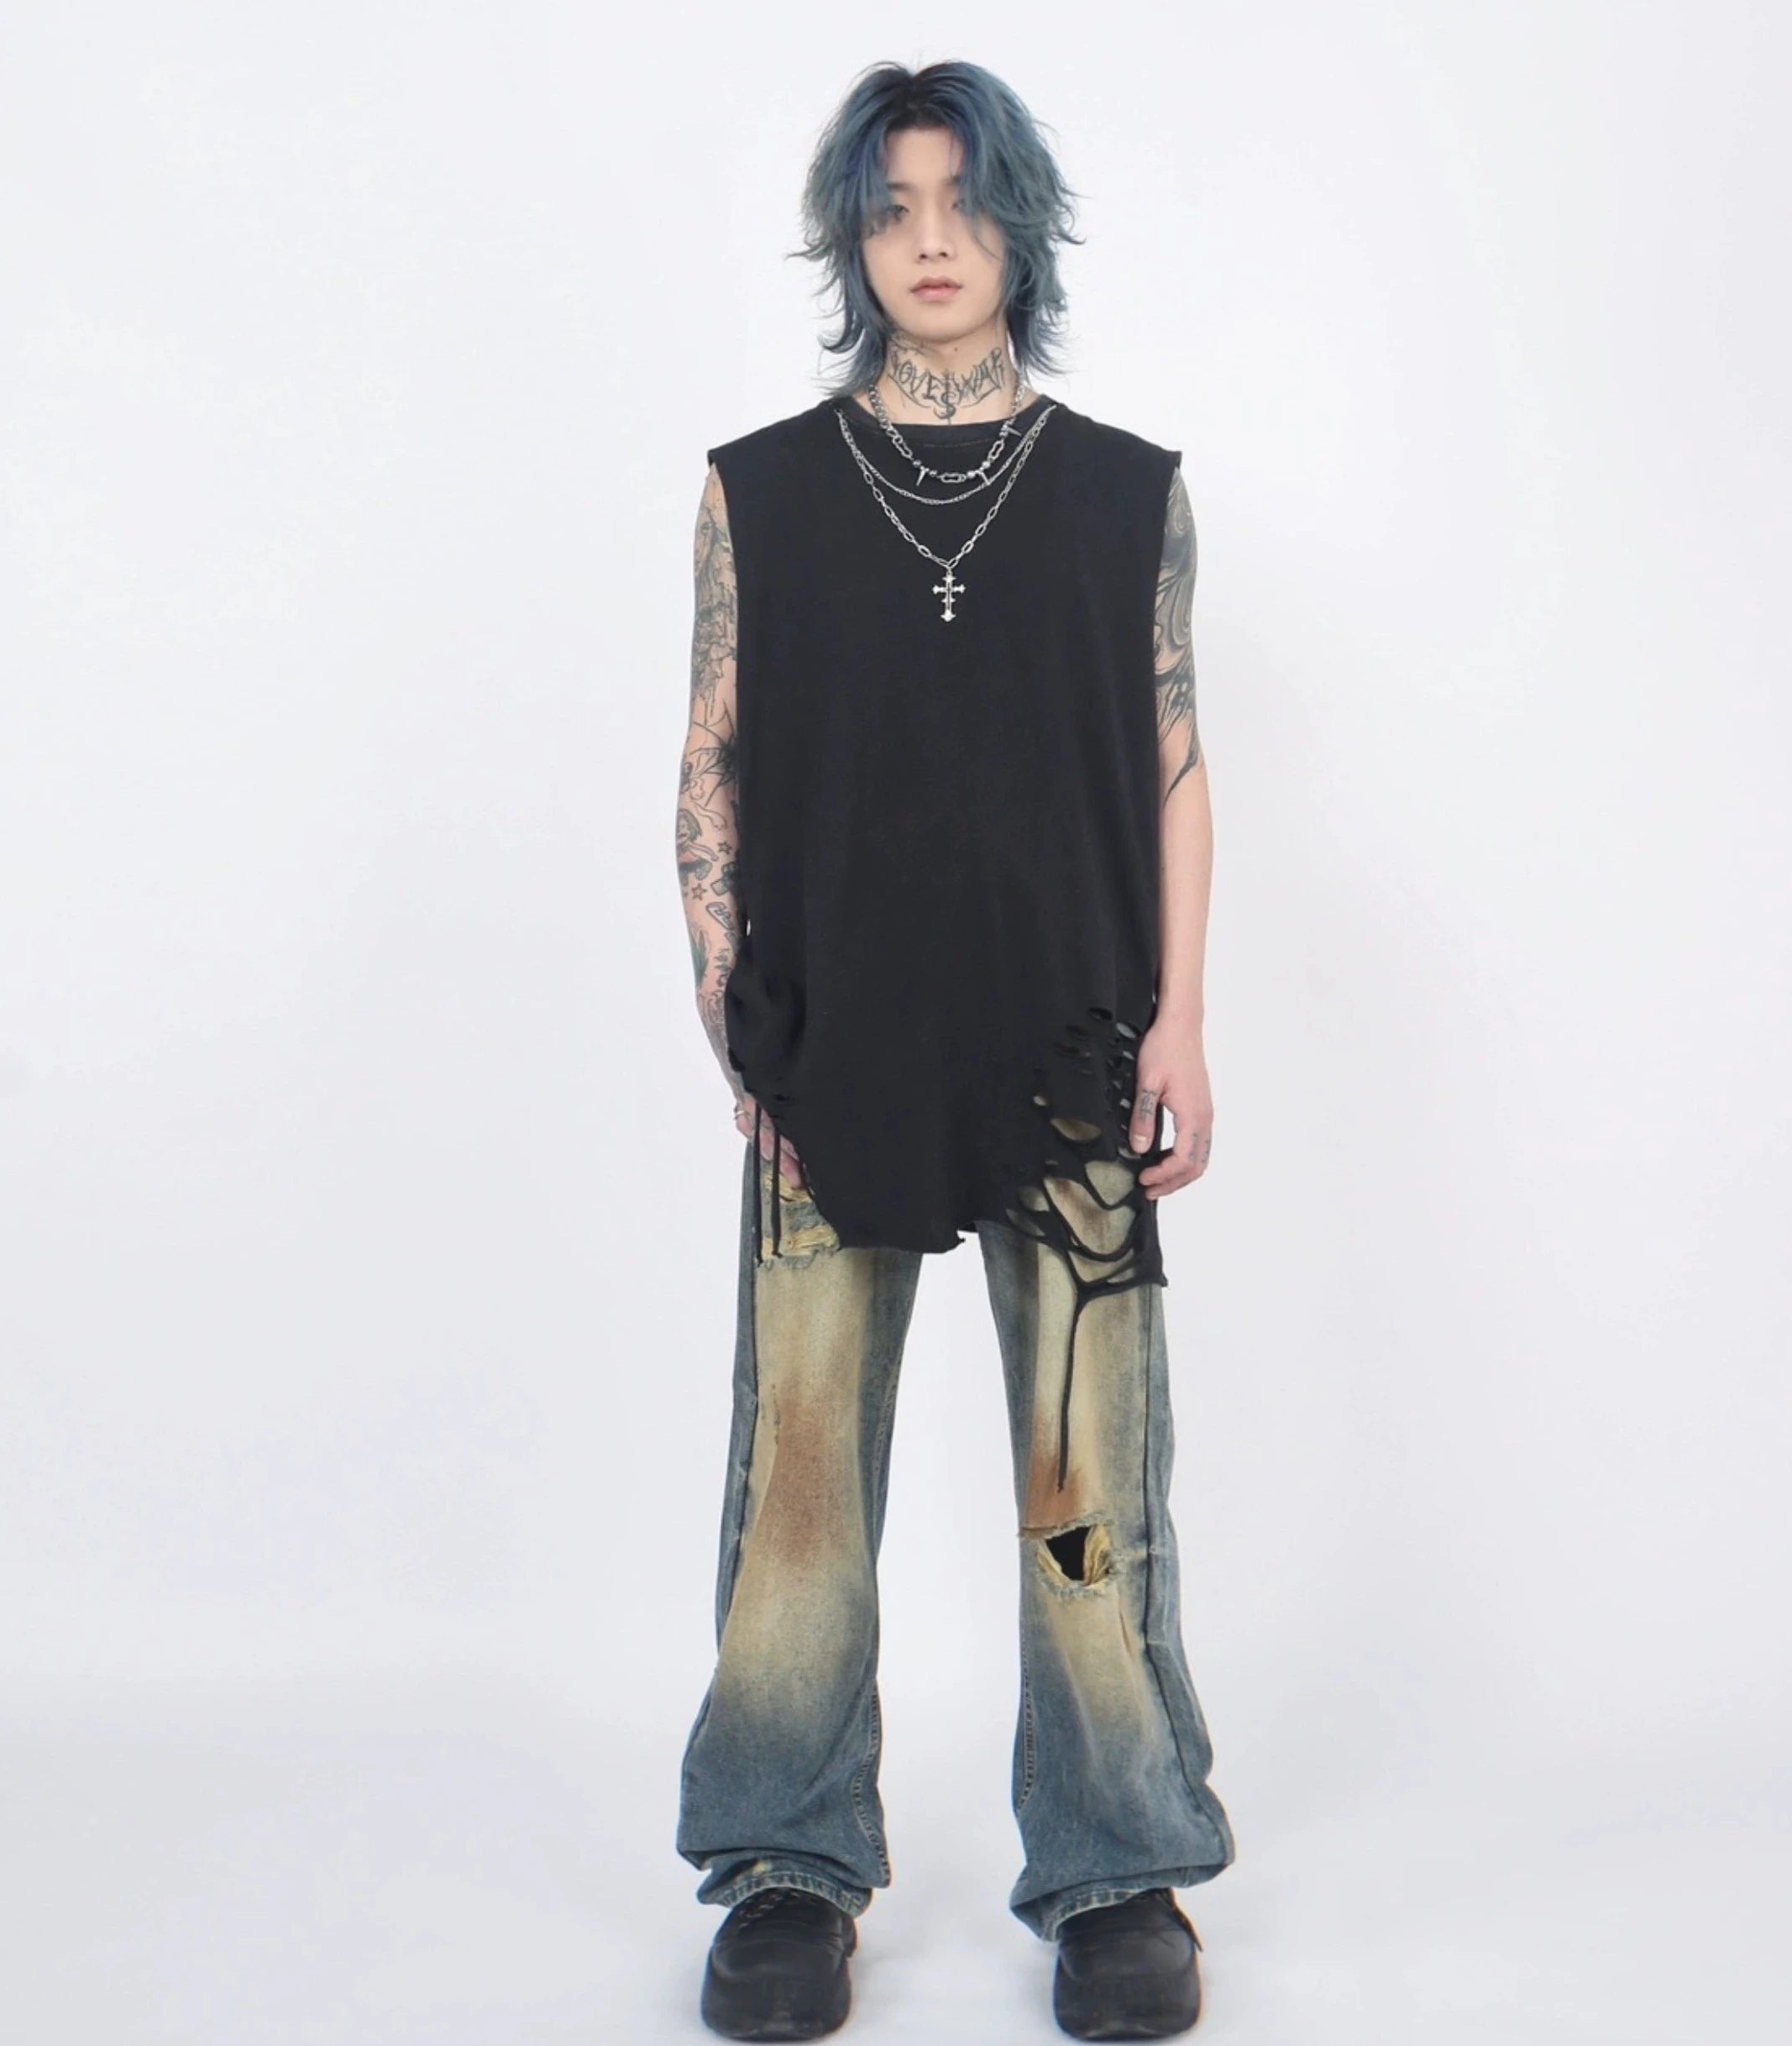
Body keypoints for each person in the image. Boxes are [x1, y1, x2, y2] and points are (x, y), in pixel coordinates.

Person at [671, 58, 1234, 2042]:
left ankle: (1115, 1867)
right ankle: (786, 1865)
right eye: (893, 205)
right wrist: (742, 1030)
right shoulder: (757, 491)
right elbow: (709, 767)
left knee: (1087, 1482)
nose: (931, 239)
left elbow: (1173, 762)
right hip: (832, 1045)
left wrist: (1182, 1018)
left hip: (1073, 1048)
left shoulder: (1126, 492)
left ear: (1020, 227)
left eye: (964, 201)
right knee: (802, 1479)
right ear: (853, 239)